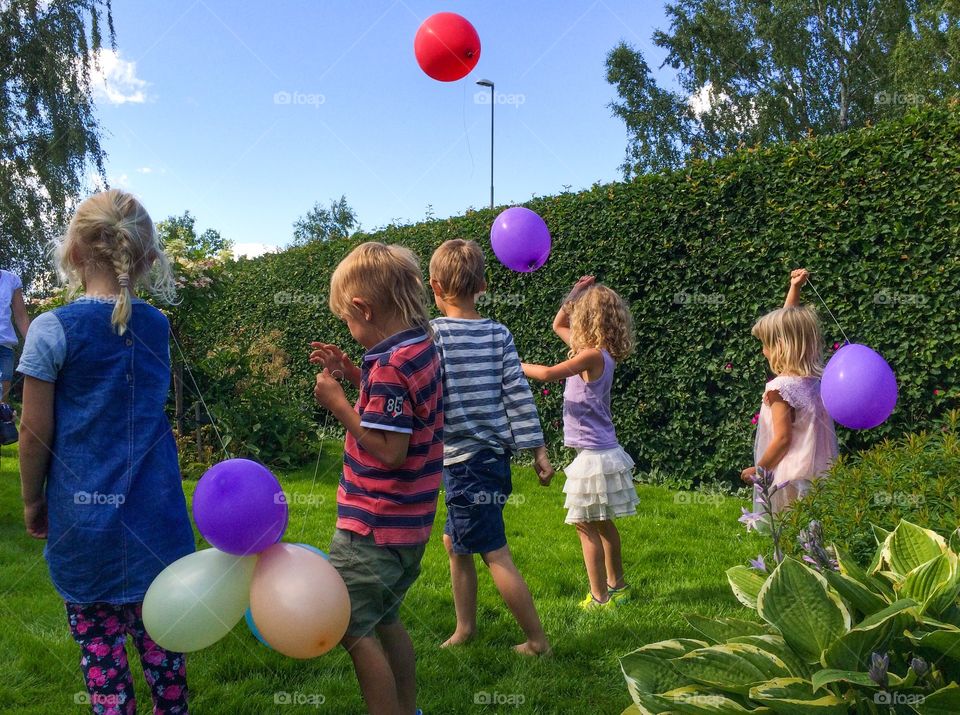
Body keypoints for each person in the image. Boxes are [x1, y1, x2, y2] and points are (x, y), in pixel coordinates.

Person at [17, 189, 194, 714]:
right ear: (146, 257)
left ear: (73, 252)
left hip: (83, 525)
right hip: (156, 519)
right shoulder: (157, 327)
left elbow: (33, 433)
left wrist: (32, 502)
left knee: (103, 662)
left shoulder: (51, 330)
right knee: (166, 648)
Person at [310, 241, 442, 715]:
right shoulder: (418, 349)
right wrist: (350, 370)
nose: (349, 327)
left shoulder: (388, 367)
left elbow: (389, 450)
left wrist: (340, 406)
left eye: (348, 319)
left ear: (364, 308)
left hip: (373, 528)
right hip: (408, 528)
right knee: (386, 618)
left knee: (352, 627)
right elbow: (397, 409)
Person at [428, 239, 553, 655]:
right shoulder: (499, 333)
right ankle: (465, 629)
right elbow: (518, 395)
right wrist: (538, 450)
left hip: (466, 464)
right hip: (491, 460)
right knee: (454, 542)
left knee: (494, 551)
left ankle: (537, 641)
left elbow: (422, 393)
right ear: (482, 283)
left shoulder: (434, 334)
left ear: (434, 285)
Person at [522, 276, 639, 609]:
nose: (572, 316)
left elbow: (546, 373)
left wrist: (510, 364)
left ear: (588, 319)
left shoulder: (590, 356)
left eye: (578, 311)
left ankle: (599, 596)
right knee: (603, 524)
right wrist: (574, 292)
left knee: (584, 525)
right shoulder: (600, 354)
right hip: (601, 451)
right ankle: (618, 585)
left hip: (593, 456)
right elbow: (557, 322)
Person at [742, 268, 838, 513]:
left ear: (781, 347)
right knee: (815, 534)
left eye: (765, 344)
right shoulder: (815, 382)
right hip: (818, 472)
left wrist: (759, 470)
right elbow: (791, 328)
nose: (763, 351)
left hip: (791, 475)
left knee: (792, 534)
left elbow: (783, 439)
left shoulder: (779, 389)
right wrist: (794, 289)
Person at [0, 265, 31, 444]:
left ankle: (4, 433)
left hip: (4, 347)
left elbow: (21, 317)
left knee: (2, 397)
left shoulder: (11, 280)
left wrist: (33, 343)